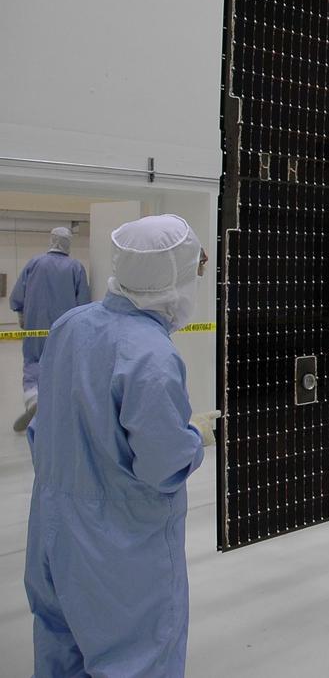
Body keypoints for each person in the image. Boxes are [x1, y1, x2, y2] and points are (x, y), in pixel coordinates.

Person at [25, 215, 211, 676]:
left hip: (52, 528)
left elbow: (42, 428)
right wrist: (195, 437)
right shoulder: (151, 353)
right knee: (135, 660)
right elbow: (162, 465)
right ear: (172, 278)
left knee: (59, 651)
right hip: (118, 547)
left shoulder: (70, 325)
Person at [9, 227, 90, 432]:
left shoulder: (34, 263)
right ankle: (57, 408)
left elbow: (18, 293)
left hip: (35, 323)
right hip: (65, 327)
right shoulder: (76, 267)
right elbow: (83, 302)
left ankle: (33, 398)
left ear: (51, 240)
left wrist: (20, 313)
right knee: (62, 363)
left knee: (33, 360)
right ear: (68, 242)